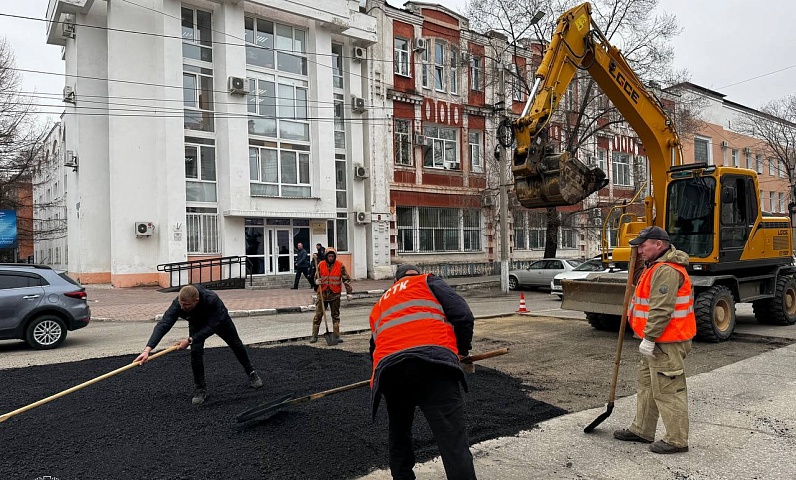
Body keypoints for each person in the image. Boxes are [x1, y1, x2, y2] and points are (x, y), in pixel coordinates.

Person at [368, 264, 477, 480]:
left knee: (399, 435)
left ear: (395, 282)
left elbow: (374, 348)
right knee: (452, 441)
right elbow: (463, 316)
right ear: (415, 275)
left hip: (390, 372)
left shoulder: (381, 302)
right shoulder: (427, 281)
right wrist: (462, 352)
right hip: (433, 366)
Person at [613, 226, 696, 454]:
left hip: (666, 341)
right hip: (655, 341)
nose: (639, 250)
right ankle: (642, 429)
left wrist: (649, 338)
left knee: (668, 389)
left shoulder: (667, 270)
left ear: (658, 244)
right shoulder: (653, 267)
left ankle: (677, 439)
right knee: (648, 386)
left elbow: (661, 309)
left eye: (643, 245)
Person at [135, 284, 263, 405]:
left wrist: (190, 340)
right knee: (195, 352)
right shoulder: (178, 304)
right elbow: (164, 324)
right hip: (196, 321)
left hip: (218, 321)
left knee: (236, 344)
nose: (183, 307)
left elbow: (213, 326)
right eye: (181, 304)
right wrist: (147, 350)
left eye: (186, 305)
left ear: (196, 300)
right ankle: (200, 389)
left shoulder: (212, 300)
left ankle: (251, 372)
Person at [310, 247, 352, 343]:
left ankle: (336, 336)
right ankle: (314, 336)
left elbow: (346, 279)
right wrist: (316, 282)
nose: (331, 258)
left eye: (332, 256)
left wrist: (349, 292)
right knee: (318, 316)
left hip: (335, 295)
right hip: (323, 294)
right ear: (326, 256)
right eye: (329, 256)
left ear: (335, 256)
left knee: (335, 316)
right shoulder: (320, 264)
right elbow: (316, 277)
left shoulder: (340, 265)